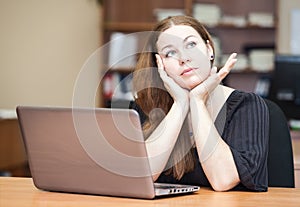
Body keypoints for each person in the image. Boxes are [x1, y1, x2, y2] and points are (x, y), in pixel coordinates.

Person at [131, 15, 269, 192]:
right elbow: (140, 179)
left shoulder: (247, 106)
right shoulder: (144, 107)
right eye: (170, 53)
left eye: (191, 45)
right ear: (160, 65)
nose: (183, 58)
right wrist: (181, 104)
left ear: (209, 49)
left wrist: (197, 101)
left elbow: (223, 180)